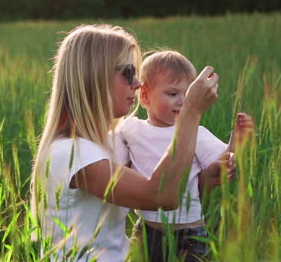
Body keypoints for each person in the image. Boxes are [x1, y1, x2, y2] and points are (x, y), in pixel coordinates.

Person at [30, 25, 219, 261]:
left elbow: (175, 190)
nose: (138, 84)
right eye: (128, 73)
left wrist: (205, 177)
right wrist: (190, 112)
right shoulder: (70, 153)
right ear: (94, 77)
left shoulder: (110, 143)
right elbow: (162, 196)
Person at [116, 50, 254, 262]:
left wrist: (237, 140)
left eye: (187, 95)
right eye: (172, 94)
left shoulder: (194, 132)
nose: (182, 101)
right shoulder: (132, 129)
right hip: (145, 232)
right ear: (144, 96)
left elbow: (224, 160)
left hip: (187, 237)